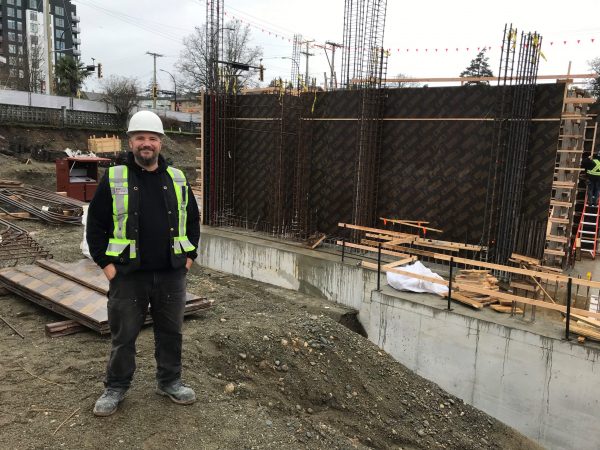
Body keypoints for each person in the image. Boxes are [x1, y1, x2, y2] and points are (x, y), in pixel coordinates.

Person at [86, 110, 200, 417]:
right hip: (127, 275)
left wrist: (189, 258)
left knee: (171, 332)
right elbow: (95, 225)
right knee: (124, 336)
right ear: (131, 141)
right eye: (140, 138)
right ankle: (116, 387)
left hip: (170, 273)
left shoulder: (176, 178)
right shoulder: (114, 177)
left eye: (152, 138)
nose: (146, 144)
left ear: (160, 142)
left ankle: (170, 381)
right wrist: (106, 266)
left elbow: (192, 220)